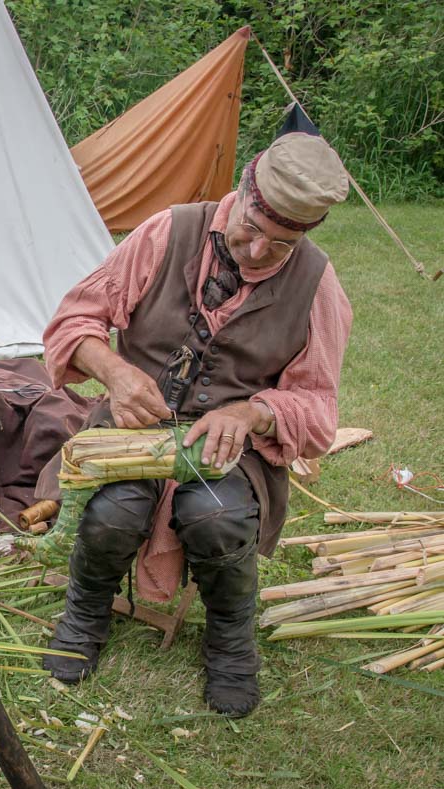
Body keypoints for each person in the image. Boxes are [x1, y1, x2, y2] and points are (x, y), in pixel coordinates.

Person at [41, 132, 352, 717]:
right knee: (116, 511)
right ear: (241, 194)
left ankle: (231, 642)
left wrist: (251, 412)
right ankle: (84, 614)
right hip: (132, 427)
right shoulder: (169, 231)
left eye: (280, 245)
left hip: (229, 448)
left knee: (217, 516)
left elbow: (316, 405)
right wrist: (114, 372)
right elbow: (74, 319)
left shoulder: (316, 284)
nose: (258, 252)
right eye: (251, 230)